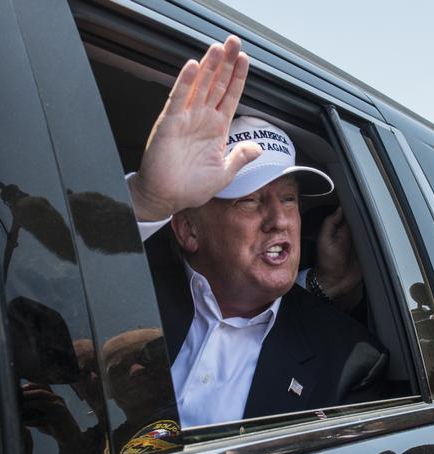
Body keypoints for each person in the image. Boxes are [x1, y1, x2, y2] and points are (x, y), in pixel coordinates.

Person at [125, 35, 387, 427]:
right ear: (187, 229)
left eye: (289, 199)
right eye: (249, 200)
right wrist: (147, 199)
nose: (278, 219)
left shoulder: (351, 360)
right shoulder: (127, 294)